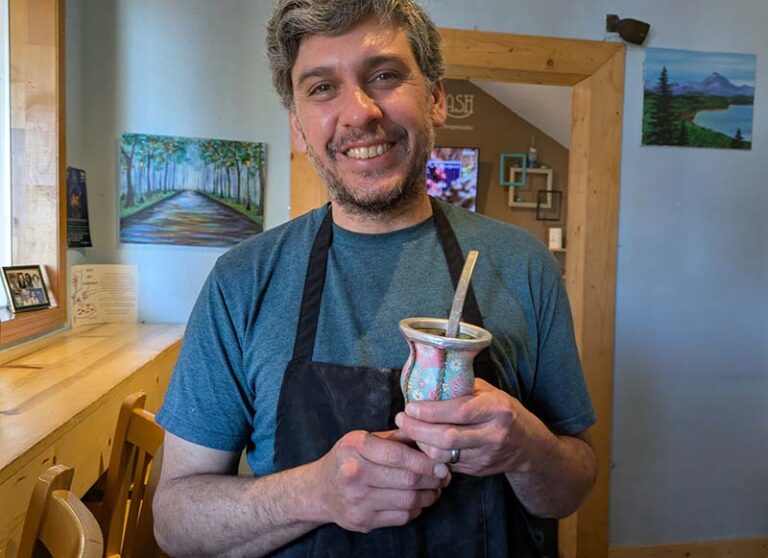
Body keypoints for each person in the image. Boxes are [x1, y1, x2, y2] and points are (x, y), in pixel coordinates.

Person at [153, 1, 597, 556]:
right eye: (321, 88)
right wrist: (312, 494)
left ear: (435, 98)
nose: (359, 113)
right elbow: (174, 522)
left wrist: (527, 450)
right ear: (297, 125)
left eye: (384, 76)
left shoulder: (523, 265)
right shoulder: (242, 281)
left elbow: (572, 486)